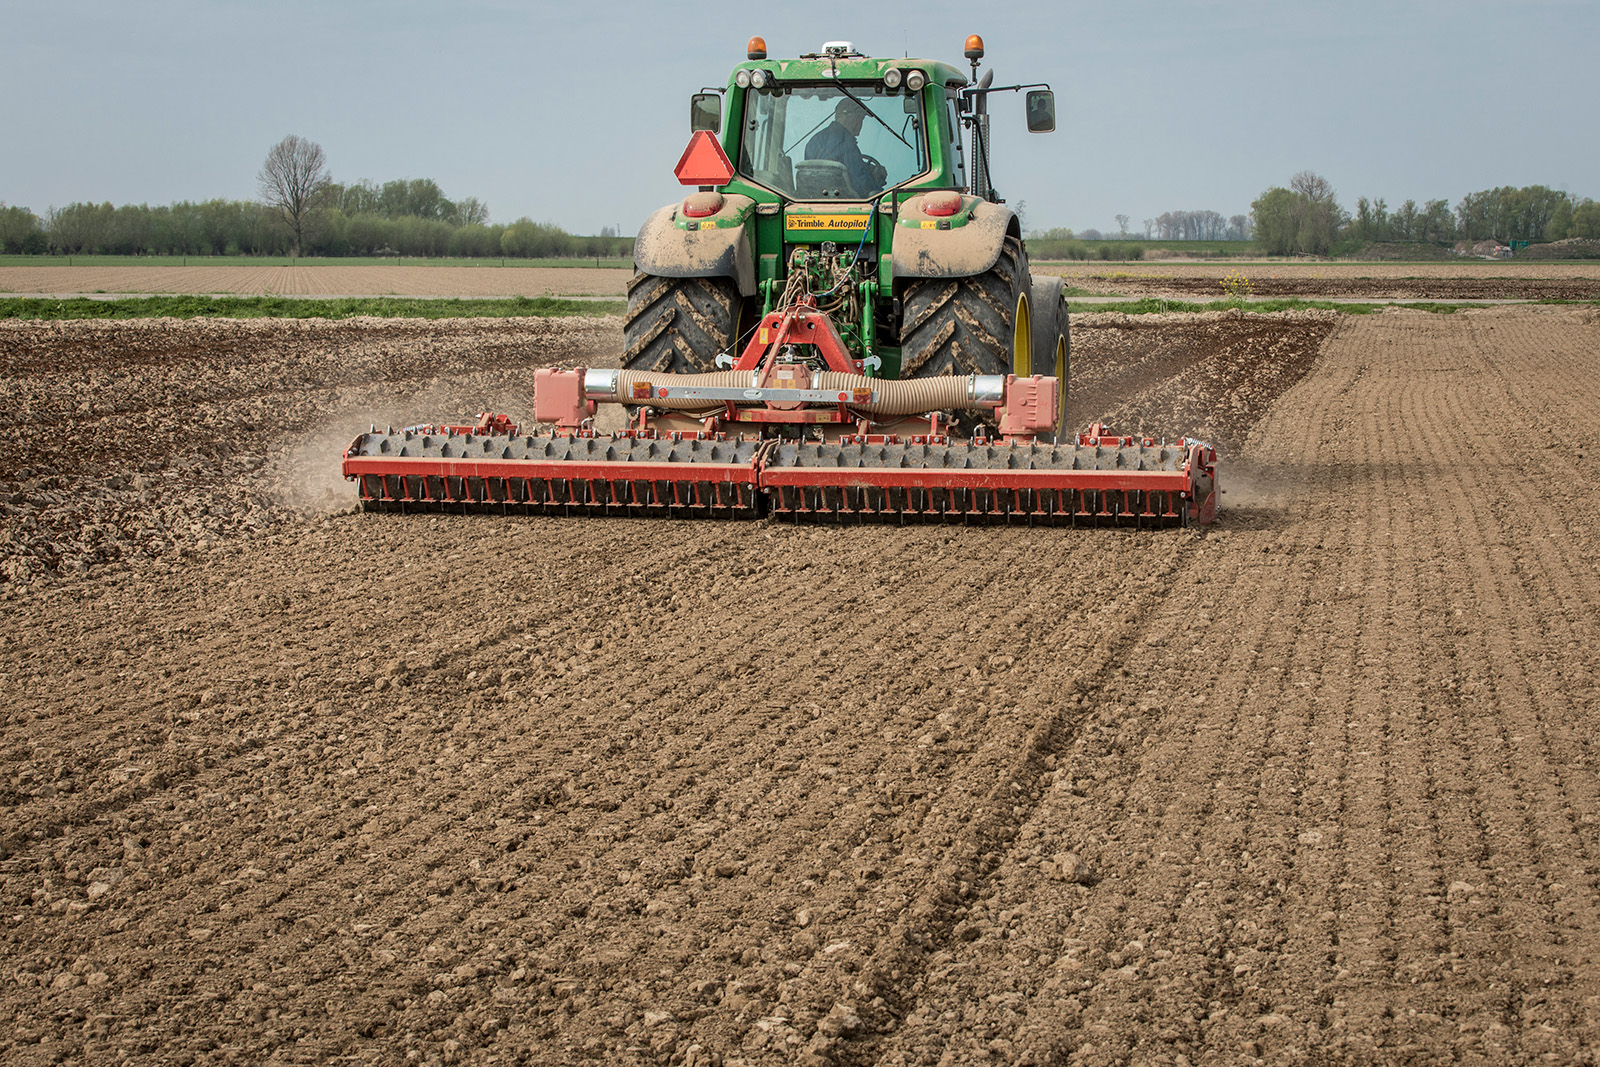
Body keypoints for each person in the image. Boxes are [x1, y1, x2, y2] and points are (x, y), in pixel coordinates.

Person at [804, 98, 886, 195]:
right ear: (854, 118)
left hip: (814, 199)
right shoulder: (846, 142)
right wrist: (879, 190)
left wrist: (868, 169)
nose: (860, 124)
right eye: (861, 119)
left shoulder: (814, 140)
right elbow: (859, 180)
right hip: (842, 200)